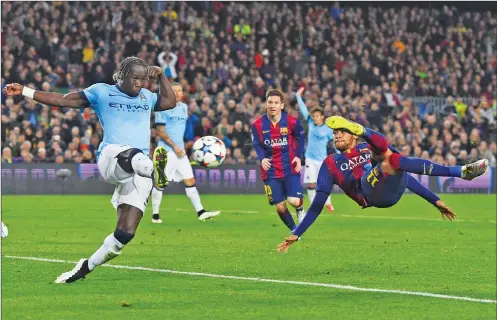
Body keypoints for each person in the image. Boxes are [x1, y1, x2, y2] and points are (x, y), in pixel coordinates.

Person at [4, 56, 177, 282]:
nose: (140, 83)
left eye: (144, 79)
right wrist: (25, 91)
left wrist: (162, 76)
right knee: (133, 154)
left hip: (137, 169)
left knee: (124, 234)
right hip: (112, 157)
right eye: (135, 78)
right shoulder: (101, 92)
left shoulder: (147, 96)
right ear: (122, 75)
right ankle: (157, 173)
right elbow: (63, 100)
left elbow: (169, 102)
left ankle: (84, 267)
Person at [277, 116, 489, 252]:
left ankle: (462, 171)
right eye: (335, 132)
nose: (337, 135)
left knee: (393, 158)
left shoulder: (365, 150)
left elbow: (404, 174)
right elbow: (316, 205)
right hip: (369, 192)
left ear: (353, 137)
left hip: (390, 193)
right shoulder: (330, 163)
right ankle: (460, 171)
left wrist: (435, 201)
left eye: (342, 131)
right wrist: (298, 232)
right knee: (391, 157)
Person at [150, 82, 221, 223]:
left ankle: (201, 212)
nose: (177, 93)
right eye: (174, 91)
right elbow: (160, 132)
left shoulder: (184, 108)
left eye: (180, 91)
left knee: (190, 180)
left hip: (180, 151)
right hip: (166, 151)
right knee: (160, 183)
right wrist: (175, 146)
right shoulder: (162, 108)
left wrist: (185, 144)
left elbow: (180, 130)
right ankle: (155, 216)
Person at [251, 89, 306, 230]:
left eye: (276, 103)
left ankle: (300, 208)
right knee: (280, 207)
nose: (272, 105)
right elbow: (257, 143)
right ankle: (295, 230)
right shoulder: (257, 125)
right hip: (270, 171)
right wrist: (262, 158)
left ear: (281, 105)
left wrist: (299, 157)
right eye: (270, 102)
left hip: (289, 167)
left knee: (293, 201)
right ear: (265, 104)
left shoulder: (292, 122)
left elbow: (300, 138)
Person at [296, 87, 336, 212]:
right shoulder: (310, 122)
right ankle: (314, 205)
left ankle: (328, 203)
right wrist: (298, 96)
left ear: (322, 117)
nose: (314, 118)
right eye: (313, 116)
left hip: (323, 159)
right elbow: (303, 109)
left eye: (317, 116)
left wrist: (339, 151)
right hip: (310, 158)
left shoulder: (328, 129)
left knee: (324, 183)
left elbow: (334, 142)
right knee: (311, 184)